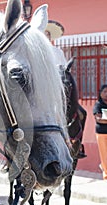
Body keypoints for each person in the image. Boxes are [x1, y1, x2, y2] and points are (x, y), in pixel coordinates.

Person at [45, 20, 87, 159]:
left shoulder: (58, 52)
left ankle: (77, 145)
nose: (47, 36)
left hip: (61, 89)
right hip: (45, 90)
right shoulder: (37, 53)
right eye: (44, 34)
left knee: (82, 113)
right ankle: (13, 155)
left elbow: (64, 69)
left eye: (48, 34)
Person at [93, 84, 107, 180]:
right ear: (100, 93)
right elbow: (98, 119)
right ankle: (106, 174)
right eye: (105, 92)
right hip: (102, 133)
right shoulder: (98, 105)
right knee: (104, 154)